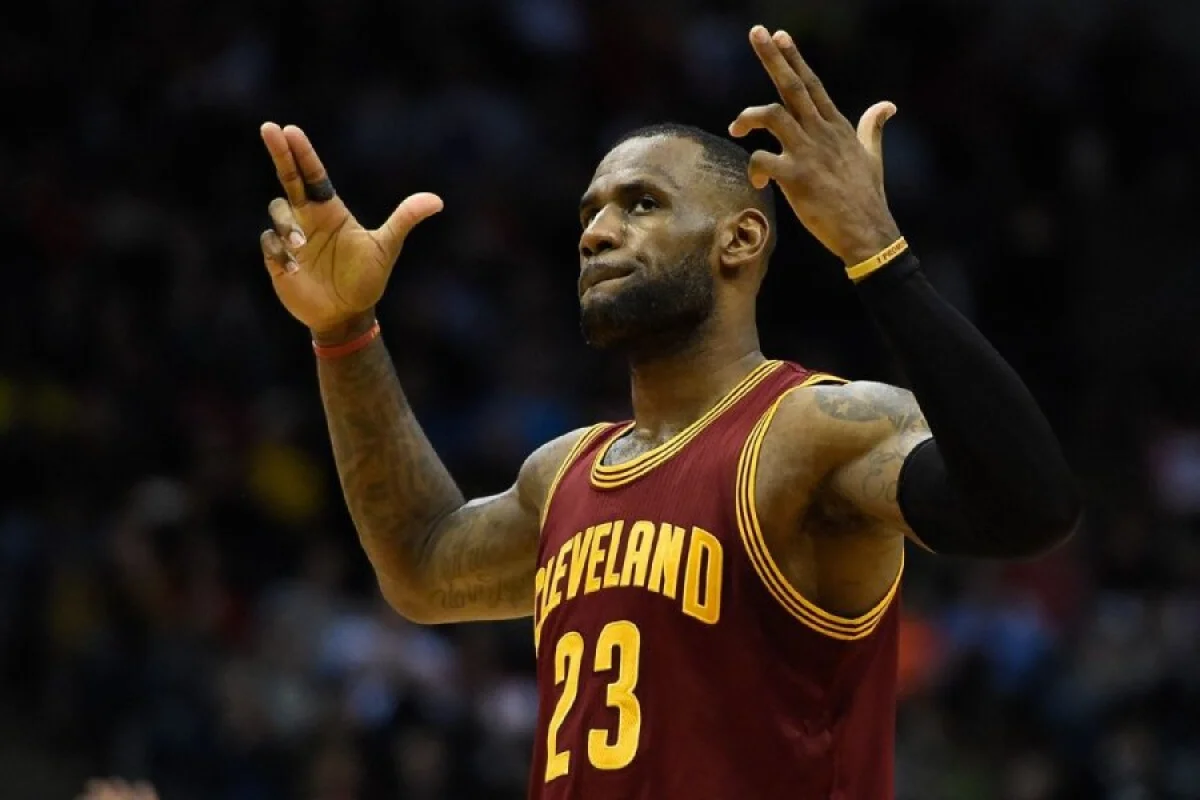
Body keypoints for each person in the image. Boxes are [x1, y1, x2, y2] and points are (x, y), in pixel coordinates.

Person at [85, 23, 1081, 800]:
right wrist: (346, 334)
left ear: (740, 240)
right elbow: (423, 565)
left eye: (640, 204)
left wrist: (875, 248)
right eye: (590, 213)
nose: (598, 231)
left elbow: (1029, 508)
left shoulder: (815, 430)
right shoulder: (562, 472)